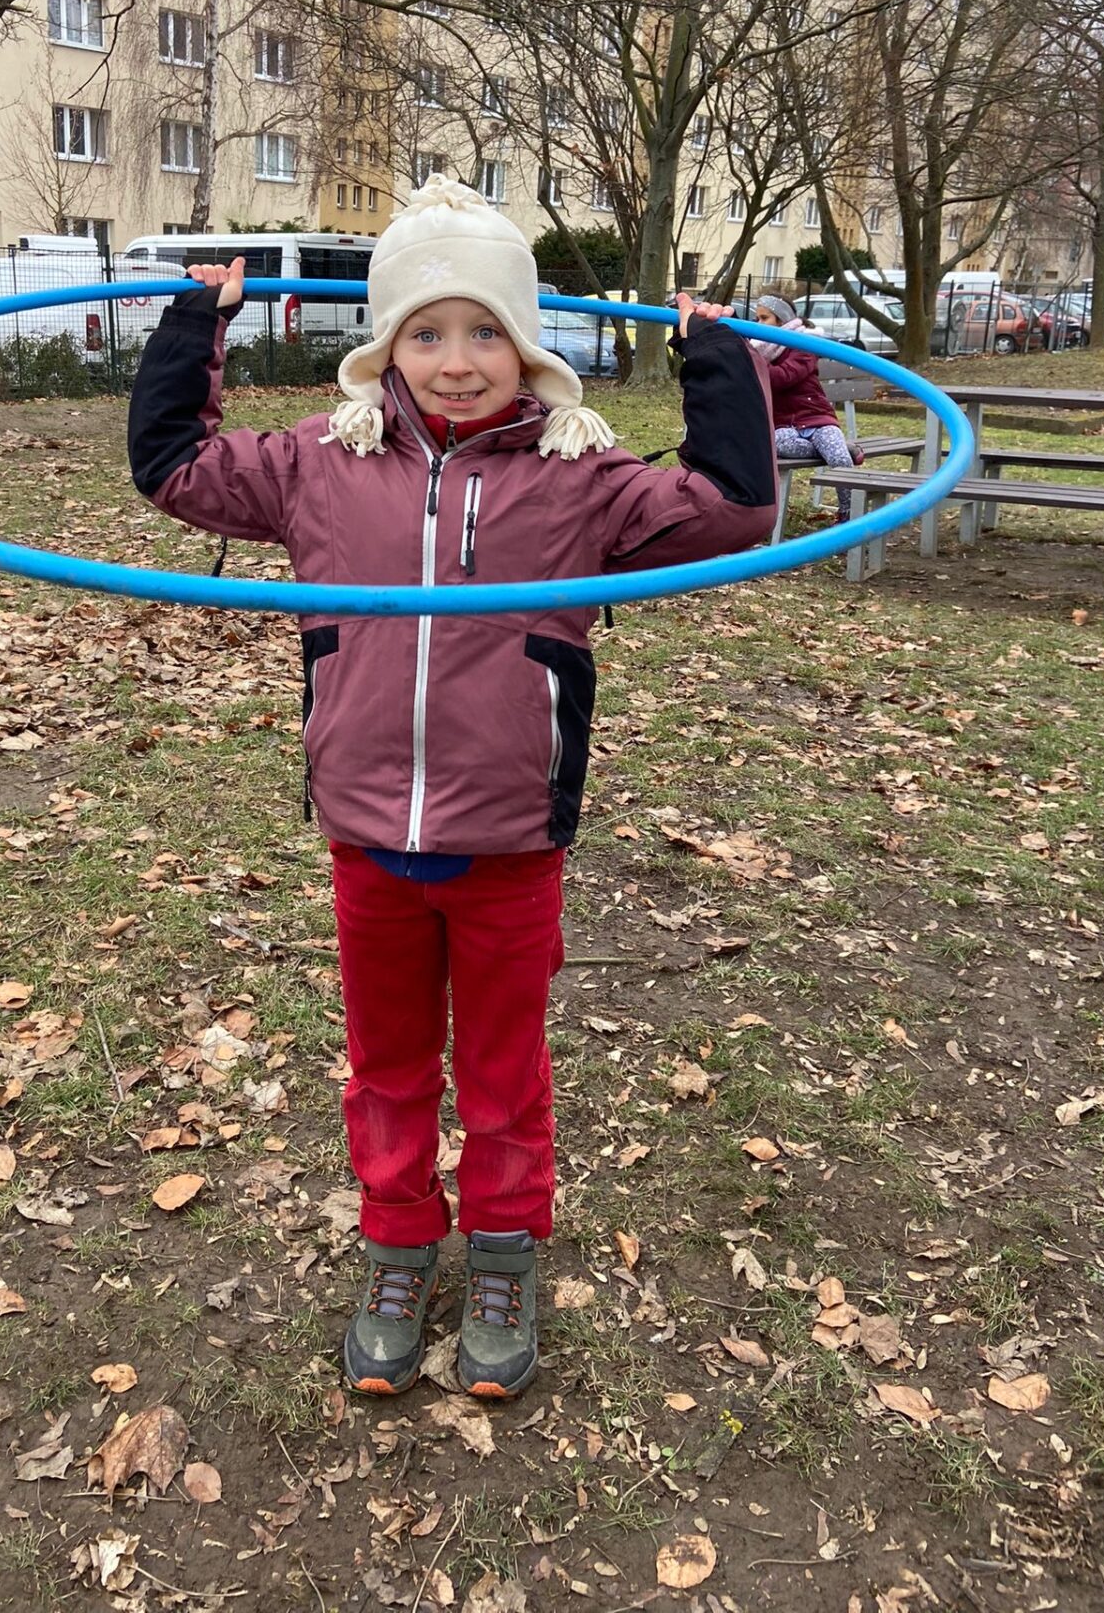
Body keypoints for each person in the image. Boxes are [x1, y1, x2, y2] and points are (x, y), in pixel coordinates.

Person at [127, 175, 777, 1401]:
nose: (459, 361)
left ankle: (502, 1251)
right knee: (385, 1063)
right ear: (386, 345)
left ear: (528, 345)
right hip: (368, 835)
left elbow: (734, 511)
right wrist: (193, 327)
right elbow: (172, 468)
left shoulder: (580, 476)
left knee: (502, 1069)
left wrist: (714, 360)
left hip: (509, 842)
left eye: (487, 331)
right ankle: (395, 1242)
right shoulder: (319, 463)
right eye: (426, 333)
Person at [752, 294, 864, 522]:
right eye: (757, 319)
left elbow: (783, 377)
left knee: (839, 460)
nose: (758, 324)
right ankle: (842, 447)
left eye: (764, 318)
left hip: (816, 418)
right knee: (777, 444)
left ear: (782, 319)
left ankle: (849, 515)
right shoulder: (760, 350)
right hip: (785, 424)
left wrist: (751, 362)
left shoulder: (804, 345)